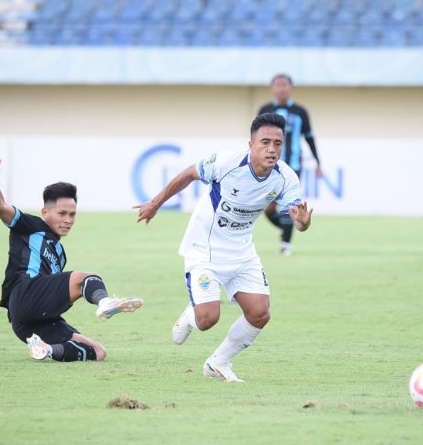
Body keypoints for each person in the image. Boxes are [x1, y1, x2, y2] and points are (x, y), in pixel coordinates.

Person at [134, 113, 313, 382]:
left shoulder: (286, 177)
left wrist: (302, 224)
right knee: (207, 319)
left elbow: (296, 218)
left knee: (260, 313)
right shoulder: (226, 162)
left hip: (242, 251)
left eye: (278, 143)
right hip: (204, 248)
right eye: (265, 142)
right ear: (250, 144)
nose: (272, 149)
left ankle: (218, 363)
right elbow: (188, 174)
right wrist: (155, 203)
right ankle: (193, 312)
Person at [0, 152, 143, 362]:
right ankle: (104, 302)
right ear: (45, 212)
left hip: (29, 322)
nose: (68, 220)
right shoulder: (31, 226)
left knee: (97, 351)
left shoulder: (60, 254)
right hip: (24, 294)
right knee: (86, 278)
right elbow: (0, 206)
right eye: (62, 213)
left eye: (72, 214)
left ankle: (46, 350)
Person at [258, 73, 322, 256]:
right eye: (277, 85)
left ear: (290, 87)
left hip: (293, 166)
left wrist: (318, 162)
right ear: (272, 88)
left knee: (288, 204)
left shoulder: (300, 112)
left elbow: (309, 138)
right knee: (268, 207)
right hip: (268, 166)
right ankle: (285, 228)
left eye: (284, 85)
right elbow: (255, 139)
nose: (281, 88)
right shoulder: (265, 109)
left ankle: (285, 245)